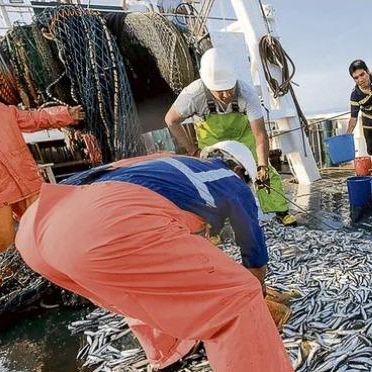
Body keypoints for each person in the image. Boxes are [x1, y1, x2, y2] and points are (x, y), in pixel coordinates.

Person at [15, 141, 293, 372]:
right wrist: (257, 292)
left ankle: (168, 351)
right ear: (237, 169)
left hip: (37, 227)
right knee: (237, 295)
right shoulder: (230, 180)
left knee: (142, 282)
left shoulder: (170, 164)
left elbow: (175, 256)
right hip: (102, 223)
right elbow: (253, 249)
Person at [165, 48, 297, 227]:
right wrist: (193, 150)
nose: (227, 95)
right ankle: (212, 225)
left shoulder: (246, 93)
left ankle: (280, 211)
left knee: (267, 174)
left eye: (230, 89)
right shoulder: (193, 94)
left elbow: (259, 135)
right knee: (209, 179)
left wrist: (262, 165)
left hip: (244, 137)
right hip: (212, 141)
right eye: (220, 91)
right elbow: (171, 120)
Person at [0, 99, 85, 255]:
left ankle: (64, 267)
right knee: (2, 251)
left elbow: (31, 118)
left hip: (27, 181)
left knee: (49, 232)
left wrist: (66, 114)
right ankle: (5, 279)